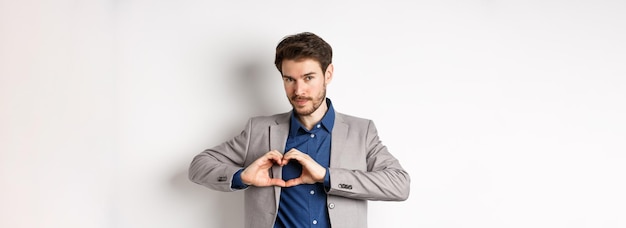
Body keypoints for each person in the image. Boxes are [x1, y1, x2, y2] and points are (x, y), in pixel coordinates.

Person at [188, 32, 410, 228]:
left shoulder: (361, 132)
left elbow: (399, 185)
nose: (299, 90)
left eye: (308, 78)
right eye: (289, 79)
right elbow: (199, 166)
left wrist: (326, 176)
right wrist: (242, 176)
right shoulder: (259, 130)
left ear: (328, 74)